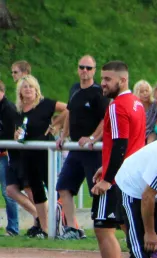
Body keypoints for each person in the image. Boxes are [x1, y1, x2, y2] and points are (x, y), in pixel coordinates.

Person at [90, 60, 146, 258]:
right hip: (132, 176)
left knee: (103, 228)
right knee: (133, 229)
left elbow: (120, 145)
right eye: (102, 79)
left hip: (118, 179)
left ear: (122, 80)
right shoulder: (137, 103)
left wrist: (107, 178)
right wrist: (104, 167)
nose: (102, 83)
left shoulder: (117, 106)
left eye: (107, 79)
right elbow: (133, 144)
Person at [56, 55, 109, 240]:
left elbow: (106, 119)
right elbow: (69, 113)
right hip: (76, 149)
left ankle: (104, 227)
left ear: (94, 70)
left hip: (92, 151)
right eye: (82, 67)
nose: (84, 71)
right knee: (63, 187)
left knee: (96, 189)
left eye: (88, 68)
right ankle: (72, 229)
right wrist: (63, 135)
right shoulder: (74, 89)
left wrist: (93, 137)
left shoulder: (98, 92)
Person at [13, 75, 67, 238]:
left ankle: (63, 226)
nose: (28, 89)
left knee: (54, 189)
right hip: (28, 155)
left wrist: (56, 124)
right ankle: (45, 228)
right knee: (37, 191)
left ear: (36, 90)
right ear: (20, 92)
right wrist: (17, 136)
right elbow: (19, 133)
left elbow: (68, 108)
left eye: (31, 87)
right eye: (25, 87)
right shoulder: (19, 111)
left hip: (45, 154)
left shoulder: (45, 104)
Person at [0, 80, 19, 236]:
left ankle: (13, 227)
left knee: (8, 191)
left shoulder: (9, 108)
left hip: (4, 155)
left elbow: (9, 134)